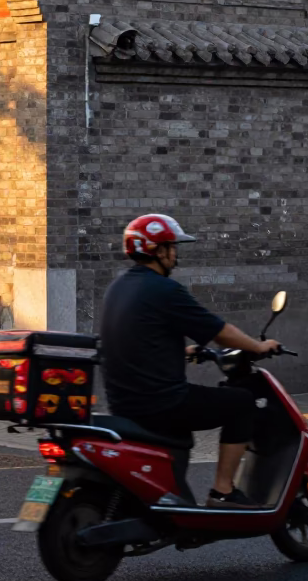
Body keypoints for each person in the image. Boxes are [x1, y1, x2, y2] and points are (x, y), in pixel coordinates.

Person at [100, 213, 280, 507]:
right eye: (172, 247)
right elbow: (220, 332)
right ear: (158, 250)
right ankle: (222, 491)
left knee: (195, 419)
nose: (175, 255)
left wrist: (182, 352)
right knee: (241, 403)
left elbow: (137, 341)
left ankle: (173, 494)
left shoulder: (118, 287)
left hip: (124, 402)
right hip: (160, 402)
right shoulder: (164, 290)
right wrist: (258, 346)